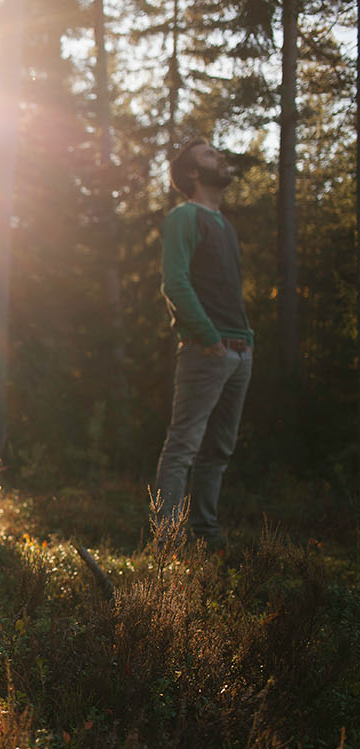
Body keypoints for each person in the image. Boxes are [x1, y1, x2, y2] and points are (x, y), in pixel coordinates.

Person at [153, 138, 254, 544]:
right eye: (210, 155)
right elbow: (174, 283)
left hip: (241, 351)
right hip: (205, 351)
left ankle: (206, 536)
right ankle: (167, 546)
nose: (221, 157)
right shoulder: (184, 217)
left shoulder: (225, 226)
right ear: (193, 173)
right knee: (182, 449)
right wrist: (210, 339)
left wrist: (245, 339)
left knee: (219, 452)